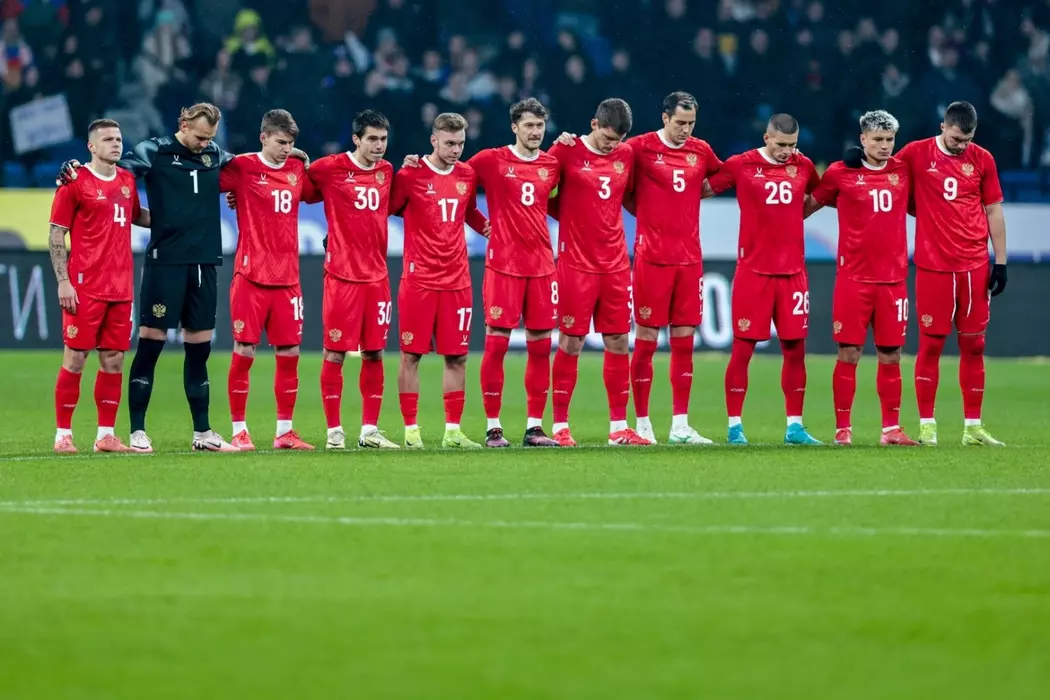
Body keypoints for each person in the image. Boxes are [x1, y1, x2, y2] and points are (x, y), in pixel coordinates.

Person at [58, 103, 236, 452]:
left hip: (203, 262)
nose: (205, 144)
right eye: (200, 137)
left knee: (199, 350)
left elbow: (253, 165)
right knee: (150, 345)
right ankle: (137, 431)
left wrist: (294, 153)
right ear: (183, 124)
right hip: (164, 261)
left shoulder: (214, 153)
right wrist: (74, 168)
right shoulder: (152, 151)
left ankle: (203, 433)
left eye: (210, 138)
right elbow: (109, 172)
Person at [895, 101, 1008, 446]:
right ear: (943, 127)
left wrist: (1001, 262)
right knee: (931, 345)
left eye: (967, 139)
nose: (961, 145)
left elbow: (993, 210)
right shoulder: (916, 153)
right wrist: (856, 162)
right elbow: (885, 175)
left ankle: (972, 427)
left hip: (974, 266)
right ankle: (927, 425)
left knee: (975, 345)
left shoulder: (983, 159)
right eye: (957, 138)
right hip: (934, 267)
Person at [706, 113, 822, 446]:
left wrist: (798, 212)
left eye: (792, 145)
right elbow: (705, 188)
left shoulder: (803, 166)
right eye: (781, 144)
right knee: (743, 350)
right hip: (753, 274)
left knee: (795, 350)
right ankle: (734, 426)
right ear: (766, 138)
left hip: (793, 274)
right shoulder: (741, 164)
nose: (787, 152)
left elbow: (819, 195)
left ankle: (795, 426)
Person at [808, 110, 919, 446]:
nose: (884, 146)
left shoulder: (903, 170)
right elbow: (809, 204)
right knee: (849, 353)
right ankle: (843, 429)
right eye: (878, 139)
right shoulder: (840, 173)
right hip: (854, 280)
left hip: (893, 281)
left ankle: (891, 430)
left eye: (889, 140)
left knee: (892, 355)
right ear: (863, 139)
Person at [548, 98, 648, 446]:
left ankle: (619, 428)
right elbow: (543, 192)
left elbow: (631, 196)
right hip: (576, 264)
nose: (611, 146)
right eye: (606, 138)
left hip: (616, 264)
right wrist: (571, 219)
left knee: (618, 340)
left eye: (617, 140)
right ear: (594, 124)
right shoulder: (565, 151)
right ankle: (560, 427)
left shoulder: (626, 155)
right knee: (571, 341)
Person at [49, 119, 151, 454]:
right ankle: (63, 435)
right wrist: (63, 281)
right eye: (108, 139)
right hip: (85, 286)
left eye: (118, 139)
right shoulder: (74, 181)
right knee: (76, 358)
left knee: (113, 360)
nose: (116, 144)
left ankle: (106, 435)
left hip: (120, 288)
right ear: (91, 146)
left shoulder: (127, 180)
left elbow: (136, 215)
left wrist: (178, 216)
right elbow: (56, 233)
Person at [625, 91, 722, 445]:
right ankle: (643, 423)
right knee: (646, 341)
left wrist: (699, 191)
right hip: (651, 259)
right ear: (665, 117)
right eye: (680, 122)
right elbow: (617, 179)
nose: (686, 130)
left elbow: (723, 176)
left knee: (684, 342)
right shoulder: (639, 148)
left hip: (689, 260)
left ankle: (680, 425)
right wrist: (644, 212)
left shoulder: (701, 150)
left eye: (691, 123)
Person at [390, 112, 489, 449]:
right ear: (434, 141)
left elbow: (469, 212)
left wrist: (489, 229)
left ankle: (452, 433)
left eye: (460, 143)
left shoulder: (467, 174)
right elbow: (388, 208)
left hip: (457, 280)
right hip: (419, 280)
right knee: (411, 355)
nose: (456, 150)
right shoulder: (410, 174)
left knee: (457, 357)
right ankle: (411, 431)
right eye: (449, 143)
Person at [220, 109, 316, 451]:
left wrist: (303, 158)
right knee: (244, 349)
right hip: (251, 276)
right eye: (280, 142)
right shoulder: (242, 167)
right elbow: (205, 181)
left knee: (290, 351)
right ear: (263, 138)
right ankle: (239, 430)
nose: (285, 149)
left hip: (288, 279)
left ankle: (284, 432)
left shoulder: (295, 168)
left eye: (290, 143)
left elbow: (316, 192)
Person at [468, 98, 562, 448]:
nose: (535, 132)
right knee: (496, 345)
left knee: (540, 348)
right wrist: (481, 225)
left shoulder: (551, 165)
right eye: (528, 126)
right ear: (514, 127)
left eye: (540, 126)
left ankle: (534, 427)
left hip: (542, 268)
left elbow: (556, 201)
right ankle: (493, 428)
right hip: (504, 267)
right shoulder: (491, 160)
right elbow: (455, 183)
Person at [310, 110, 400, 450]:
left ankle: (369, 431)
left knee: (374, 353)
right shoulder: (330, 168)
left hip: (377, 278)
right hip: (342, 277)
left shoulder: (386, 170)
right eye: (372, 139)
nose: (379, 145)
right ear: (356, 139)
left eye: (383, 139)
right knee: (334, 353)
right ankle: (334, 432)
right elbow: (297, 183)